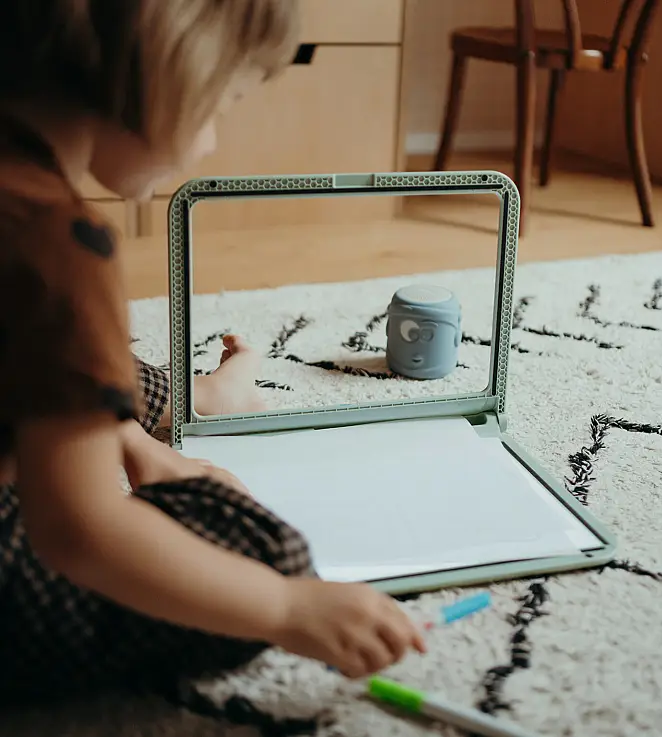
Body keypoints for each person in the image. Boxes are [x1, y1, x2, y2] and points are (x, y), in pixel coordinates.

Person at [0, 0, 425, 704]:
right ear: (168, 72)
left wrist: (145, 451)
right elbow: (76, 531)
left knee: (78, 357)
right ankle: (192, 408)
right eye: (220, 102)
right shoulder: (54, 240)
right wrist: (289, 609)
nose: (209, 142)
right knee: (265, 557)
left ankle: (195, 395)